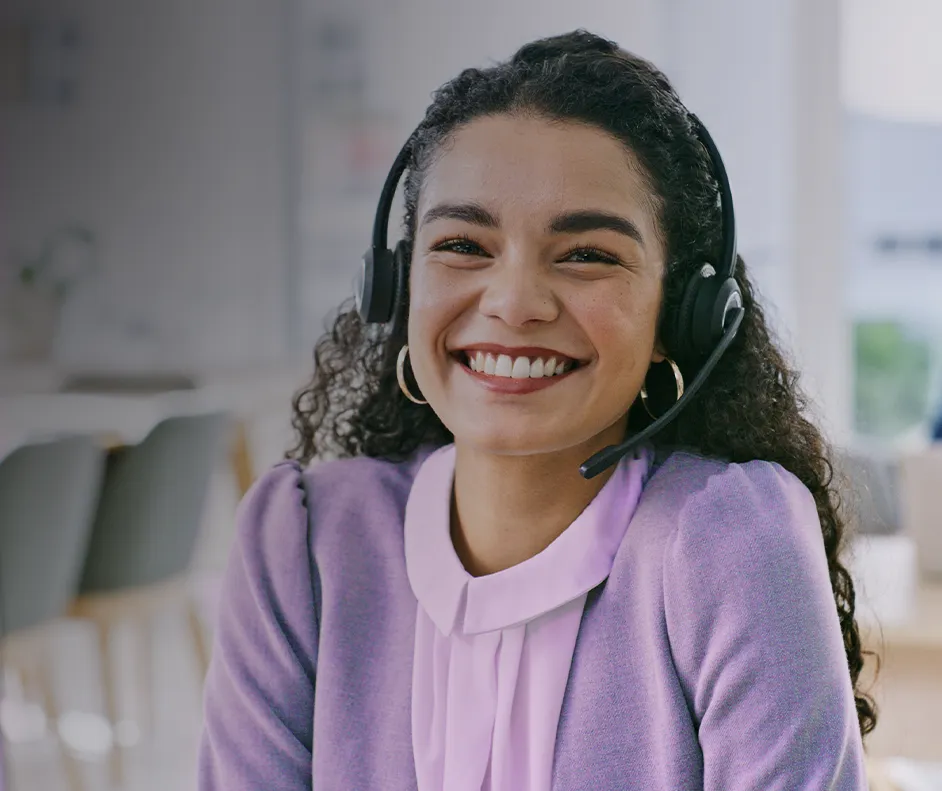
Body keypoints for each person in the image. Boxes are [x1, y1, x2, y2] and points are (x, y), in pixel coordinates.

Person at [198, 30, 874, 791]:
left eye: (587, 254)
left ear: (680, 316)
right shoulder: (305, 545)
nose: (514, 303)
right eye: (462, 243)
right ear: (395, 286)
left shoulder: (730, 539)